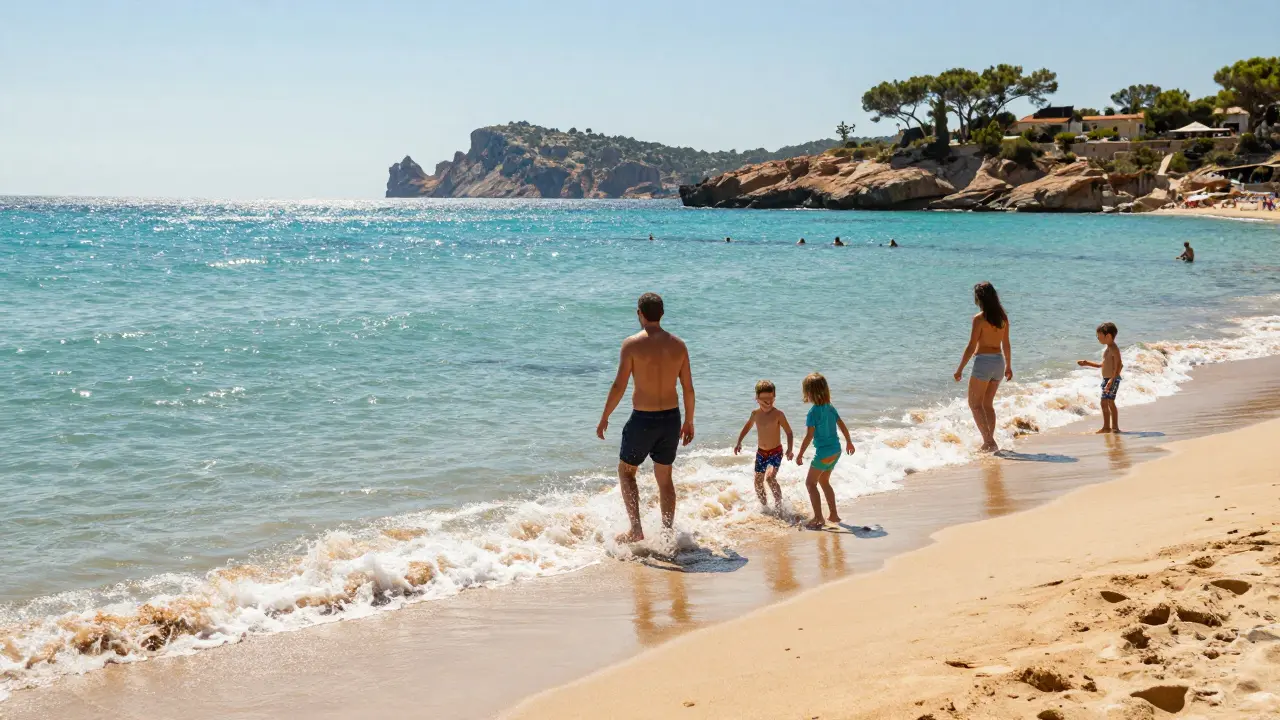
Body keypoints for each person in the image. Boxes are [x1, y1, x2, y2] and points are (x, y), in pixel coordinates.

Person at [597, 293, 696, 543]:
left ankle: (636, 530)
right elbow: (688, 388)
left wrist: (605, 416)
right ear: (662, 313)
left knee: (627, 473)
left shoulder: (631, 344)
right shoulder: (679, 345)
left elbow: (619, 385)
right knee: (665, 478)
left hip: (643, 420)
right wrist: (689, 421)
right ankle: (666, 532)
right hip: (671, 419)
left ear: (639, 313)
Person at [953, 282, 1013, 453]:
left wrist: (960, 369)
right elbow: (1006, 344)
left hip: (983, 364)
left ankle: (989, 441)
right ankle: (988, 442)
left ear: (979, 298)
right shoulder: (1003, 318)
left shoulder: (979, 319)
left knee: (974, 404)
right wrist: (1009, 366)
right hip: (999, 363)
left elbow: (972, 346)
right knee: (987, 404)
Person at [794, 373, 855, 530]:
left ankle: (819, 517)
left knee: (810, 483)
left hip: (824, 454)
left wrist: (800, 453)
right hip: (836, 451)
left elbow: (809, 436)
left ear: (809, 393)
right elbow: (841, 424)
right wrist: (849, 441)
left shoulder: (813, 413)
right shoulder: (830, 407)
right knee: (824, 481)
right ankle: (833, 514)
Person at [734, 380, 794, 511]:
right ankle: (765, 507)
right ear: (757, 398)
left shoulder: (778, 414)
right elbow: (747, 427)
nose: (768, 402)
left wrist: (790, 449)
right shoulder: (755, 414)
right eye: (764, 399)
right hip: (761, 453)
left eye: (771, 399)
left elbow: (789, 432)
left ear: (774, 397)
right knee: (757, 481)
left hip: (776, 451)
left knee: (770, 478)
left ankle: (779, 506)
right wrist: (739, 442)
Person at [1077, 322, 1123, 433]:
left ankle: (1113, 427)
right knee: (1106, 403)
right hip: (1107, 379)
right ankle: (1108, 427)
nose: (1098, 338)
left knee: (1108, 402)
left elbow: (1119, 365)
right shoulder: (1108, 349)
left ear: (1108, 336)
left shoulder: (1113, 349)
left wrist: (1112, 380)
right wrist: (1087, 363)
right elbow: (1102, 365)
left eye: (1099, 336)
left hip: (1112, 379)